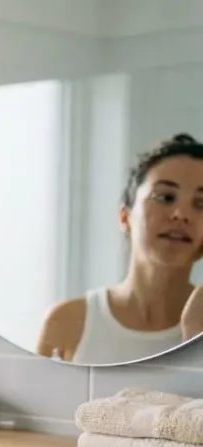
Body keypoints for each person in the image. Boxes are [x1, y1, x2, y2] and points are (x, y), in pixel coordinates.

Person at [38, 133, 203, 363]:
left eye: (201, 204)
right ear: (125, 217)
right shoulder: (67, 323)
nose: (181, 214)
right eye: (165, 197)